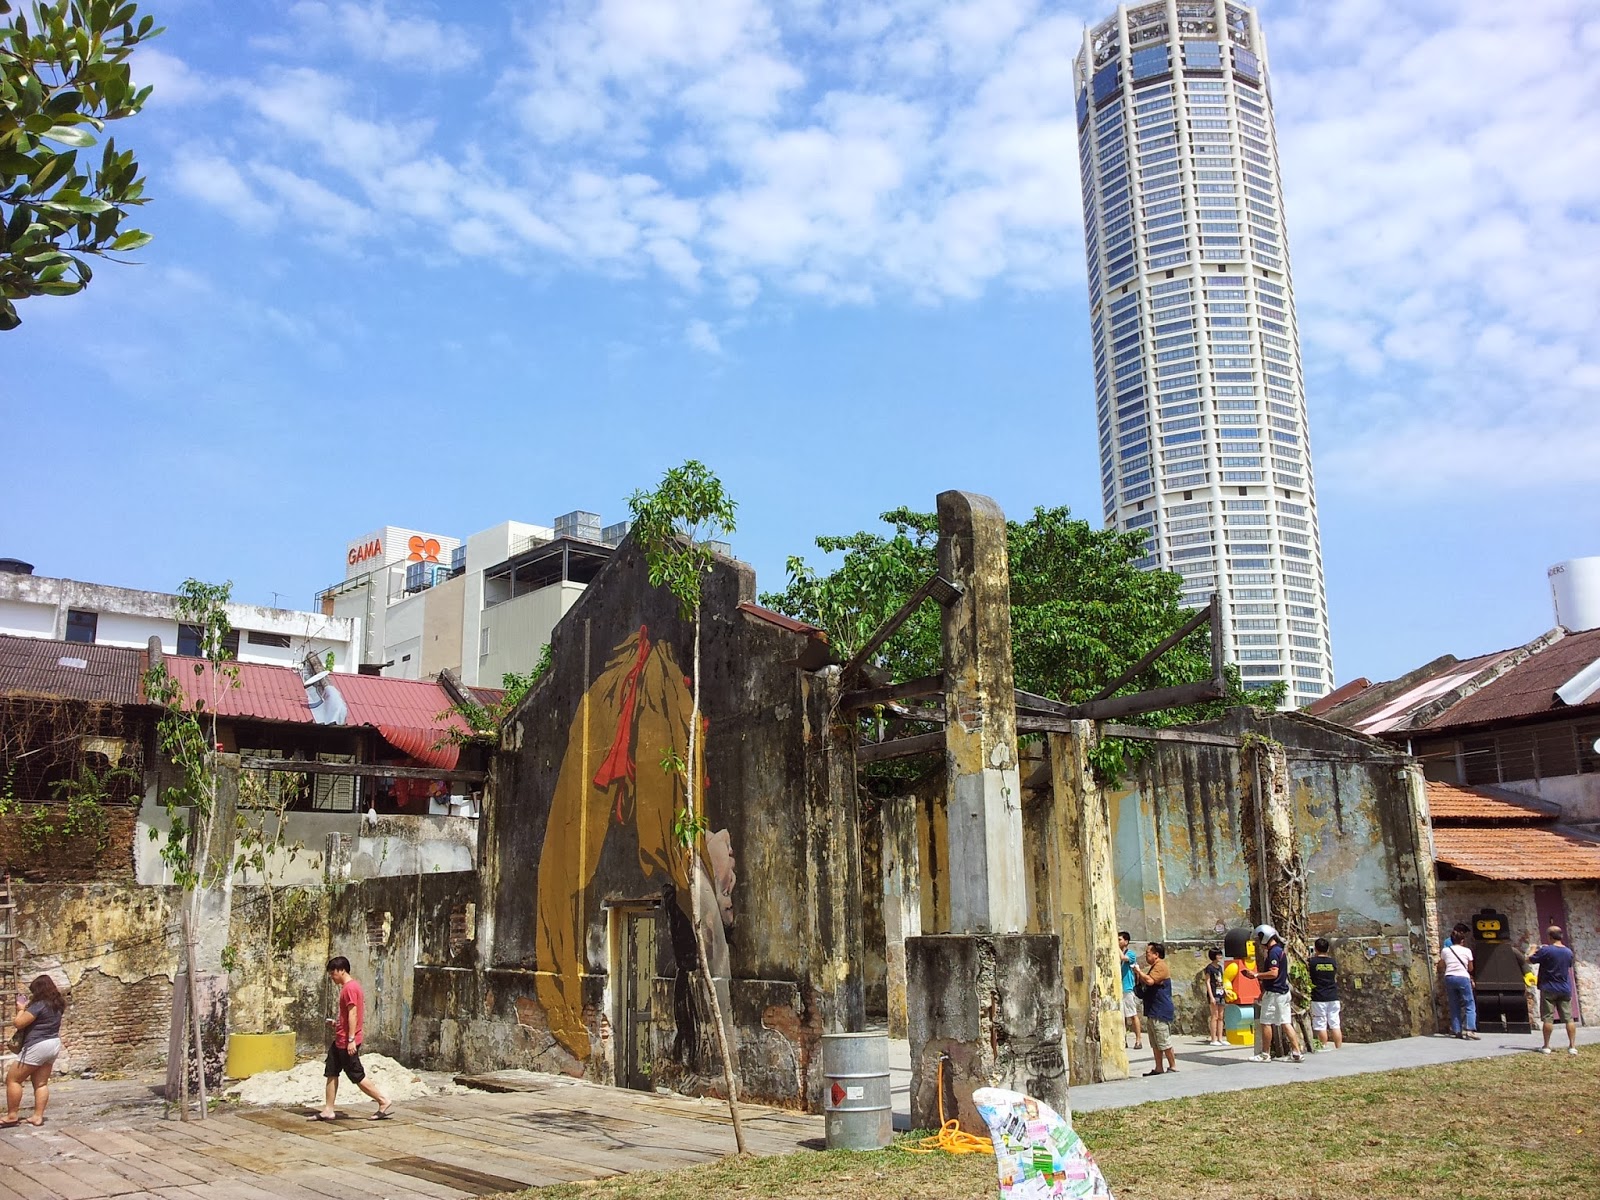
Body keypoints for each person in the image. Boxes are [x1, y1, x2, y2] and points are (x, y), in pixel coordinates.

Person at [315, 957, 393, 1120]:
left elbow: (353, 1014)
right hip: (340, 1040)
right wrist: (337, 1024)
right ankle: (328, 1109)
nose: (332, 977)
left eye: (333, 973)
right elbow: (347, 1016)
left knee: (356, 1075)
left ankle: (382, 1100)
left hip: (347, 1041)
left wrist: (351, 1039)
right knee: (331, 1071)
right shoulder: (349, 987)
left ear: (342, 970)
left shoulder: (350, 988)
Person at [3, 974, 66, 1128]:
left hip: (38, 1045)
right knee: (41, 1083)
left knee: (13, 1079)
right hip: (53, 1043)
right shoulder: (58, 1004)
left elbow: (19, 1023)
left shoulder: (39, 1005)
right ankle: (38, 1116)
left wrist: (20, 1009)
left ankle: (12, 1115)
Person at [1245, 924, 1302, 1063]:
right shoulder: (1278, 950)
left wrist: (1256, 975)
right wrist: (1263, 991)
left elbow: (1274, 973)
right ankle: (1296, 1052)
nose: (1259, 943)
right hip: (1281, 992)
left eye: (1259, 939)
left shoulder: (1273, 953)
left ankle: (1265, 1054)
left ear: (1264, 937)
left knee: (1266, 1022)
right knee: (1286, 1023)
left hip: (1275, 995)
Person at [1526, 926, 1578, 1056]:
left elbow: (1528, 960)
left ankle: (1546, 1046)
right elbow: (1569, 965)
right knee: (1569, 1018)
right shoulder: (1568, 952)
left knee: (1548, 1018)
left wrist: (1533, 949)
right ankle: (1572, 1046)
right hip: (1564, 988)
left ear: (1549, 936)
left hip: (1549, 988)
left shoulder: (1546, 950)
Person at [1130, 942, 1177, 1075]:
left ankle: (1173, 1066)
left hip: (1160, 1009)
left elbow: (1150, 981)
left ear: (1156, 954)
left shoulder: (1160, 966)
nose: (1146, 956)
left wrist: (1139, 971)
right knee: (1155, 1043)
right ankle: (1158, 1067)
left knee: (1164, 1041)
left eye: (1148, 953)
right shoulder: (1154, 967)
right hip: (1153, 1009)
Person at [1439, 922, 1478, 1040]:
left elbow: (1441, 965)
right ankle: (1470, 1029)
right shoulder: (1467, 951)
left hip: (1449, 977)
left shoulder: (1445, 950)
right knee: (1469, 1003)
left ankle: (1457, 1030)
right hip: (1462, 977)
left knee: (1454, 1004)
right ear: (1462, 940)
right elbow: (1470, 968)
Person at [1307, 937, 1343, 1050]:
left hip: (1319, 998)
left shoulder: (1312, 962)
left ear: (1315, 949)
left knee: (1320, 1024)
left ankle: (1324, 1047)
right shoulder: (1333, 962)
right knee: (1335, 1024)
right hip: (1333, 997)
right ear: (1327, 949)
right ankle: (1339, 1048)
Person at [1117, 931, 1142, 1050]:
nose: (1118, 942)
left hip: (1127, 988)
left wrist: (1116, 946)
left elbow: (1123, 958)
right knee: (1121, 1016)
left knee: (1132, 1015)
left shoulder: (1130, 954)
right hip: (1118, 988)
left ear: (1126, 942)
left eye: (1120, 940)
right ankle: (1123, 1039)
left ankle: (1138, 1040)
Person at [1203, 948, 1227, 1046]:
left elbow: (1221, 980)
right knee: (1214, 1016)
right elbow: (1207, 982)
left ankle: (1220, 1038)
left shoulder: (1220, 967)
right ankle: (1213, 1039)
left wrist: (1225, 990)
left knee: (1221, 1017)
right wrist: (1211, 996)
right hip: (1214, 994)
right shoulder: (1209, 968)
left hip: (1221, 993)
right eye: (1218, 955)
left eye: (1221, 955)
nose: (1220, 957)